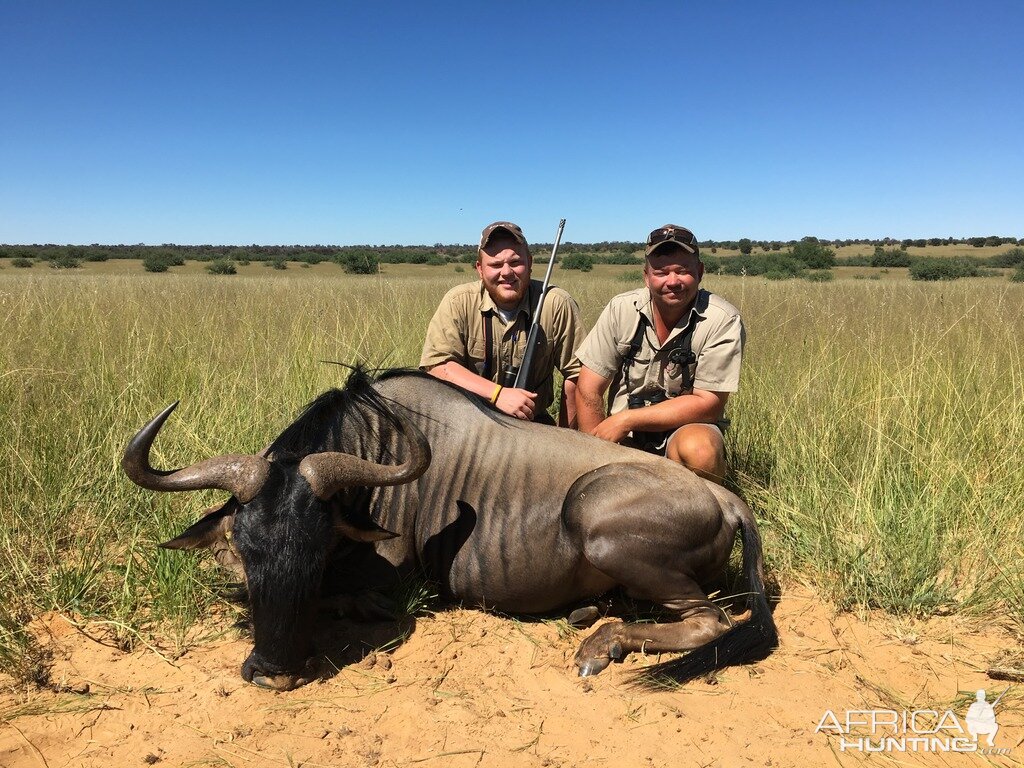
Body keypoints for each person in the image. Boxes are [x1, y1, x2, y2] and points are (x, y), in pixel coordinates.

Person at [574, 224, 744, 482]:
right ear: (646, 277)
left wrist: (627, 420)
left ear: (699, 272)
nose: (672, 281)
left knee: (699, 450)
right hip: (623, 439)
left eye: (683, 271)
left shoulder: (722, 319)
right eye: (662, 272)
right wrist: (596, 455)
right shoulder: (621, 309)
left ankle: (707, 518)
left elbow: (708, 403)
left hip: (681, 432)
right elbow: (588, 388)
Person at [420, 221, 584, 426]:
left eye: (515, 262)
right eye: (495, 265)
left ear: (530, 262)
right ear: (480, 269)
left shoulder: (557, 303)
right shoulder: (458, 301)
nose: (506, 272)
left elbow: (577, 376)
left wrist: (567, 438)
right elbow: (437, 365)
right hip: (469, 424)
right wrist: (498, 395)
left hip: (534, 424)